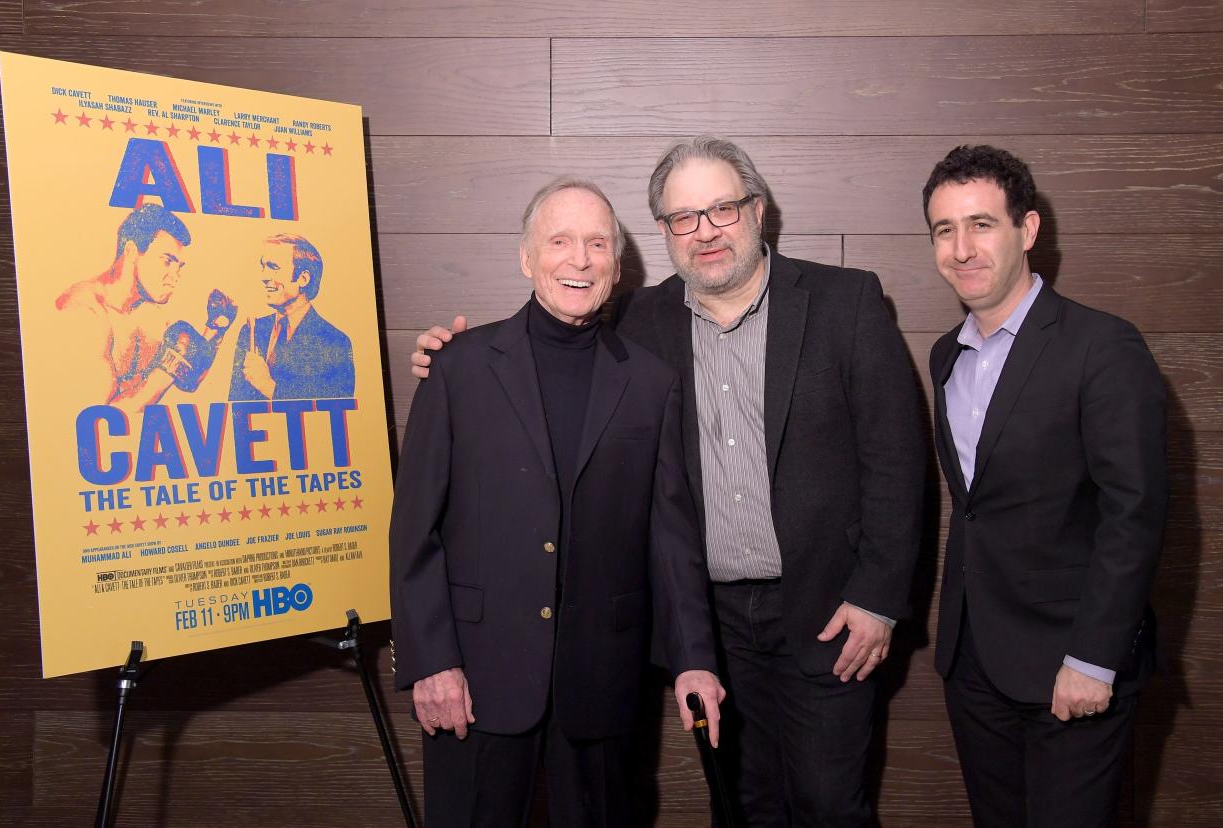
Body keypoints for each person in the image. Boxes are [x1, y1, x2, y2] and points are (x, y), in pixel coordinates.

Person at [411, 137, 925, 826]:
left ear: (758, 210)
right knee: (738, 806)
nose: (705, 231)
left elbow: (897, 459)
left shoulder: (845, 301)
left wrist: (878, 597)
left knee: (830, 803)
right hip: (710, 619)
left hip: (827, 613)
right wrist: (447, 357)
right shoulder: (638, 322)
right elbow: (548, 332)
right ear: (662, 233)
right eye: (684, 217)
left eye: (722, 209)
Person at [390, 177, 724, 827]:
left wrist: (694, 661)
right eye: (560, 241)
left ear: (617, 264)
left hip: (601, 684)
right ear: (526, 258)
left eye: (597, 243)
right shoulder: (457, 368)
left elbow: (672, 536)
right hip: (474, 683)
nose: (579, 260)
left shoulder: (652, 384)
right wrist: (431, 663)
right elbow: (414, 533)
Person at [923, 145, 1167, 827]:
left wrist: (1093, 658)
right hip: (974, 662)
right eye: (945, 230)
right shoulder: (946, 355)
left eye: (982, 224)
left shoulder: (1102, 347)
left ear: (1027, 229)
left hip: (1073, 663)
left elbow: (1135, 513)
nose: (962, 248)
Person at [56, 203, 236, 414]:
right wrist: (170, 366)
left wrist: (215, 330)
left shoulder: (152, 316)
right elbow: (101, 420)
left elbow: (190, 380)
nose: (174, 278)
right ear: (132, 251)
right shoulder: (84, 311)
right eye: (168, 261)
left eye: (179, 267)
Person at [228, 233, 354, 400]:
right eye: (263, 266)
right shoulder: (251, 331)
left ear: (303, 278)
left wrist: (270, 387)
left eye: (274, 267)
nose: (264, 277)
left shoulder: (335, 341)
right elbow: (235, 406)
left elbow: (337, 411)